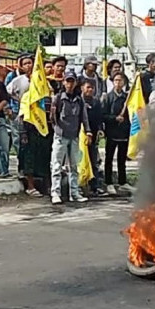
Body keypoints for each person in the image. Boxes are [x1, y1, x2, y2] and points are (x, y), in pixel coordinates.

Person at [50, 71, 92, 208]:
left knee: (74, 166)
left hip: (74, 136)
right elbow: (53, 118)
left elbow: (84, 117)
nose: (69, 84)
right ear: (63, 82)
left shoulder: (79, 100)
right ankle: (55, 193)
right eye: (67, 81)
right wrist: (58, 131)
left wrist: (88, 131)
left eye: (72, 81)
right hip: (61, 136)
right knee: (56, 165)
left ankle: (74, 193)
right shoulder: (58, 98)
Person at [18, 92, 52, 197]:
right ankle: (30, 187)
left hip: (45, 132)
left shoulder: (48, 95)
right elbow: (22, 116)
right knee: (29, 159)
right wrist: (23, 133)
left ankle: (48, 187)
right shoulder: (27, 96)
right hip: (30, 131)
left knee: (46, 158)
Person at [103, 72, 131, 195]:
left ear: (124, 83)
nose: (118, 83)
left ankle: (122, 182)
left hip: (124, 132)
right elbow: (103, 115)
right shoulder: (108, 97)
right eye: (115, 80)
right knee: (109, 159)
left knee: (122, 159)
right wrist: (114, 118)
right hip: (111, 132)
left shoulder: (127, 98)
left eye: (120, 80)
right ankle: (108, 183)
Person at [81, 78, 105, 196]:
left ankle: (94, 186)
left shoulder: (96, 102)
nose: (90, 90)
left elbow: (100, 118)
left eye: (92, 88)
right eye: (87, 87)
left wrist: (100, 129)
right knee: (80, 160)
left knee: (93, 160)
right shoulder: (79, 101)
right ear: (82, 88)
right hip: (80, 135)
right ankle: (81, 186)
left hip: (94, 135)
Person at [6, 55, 33, 158]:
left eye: (29, 63)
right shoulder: (16, 79)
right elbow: (7, 92)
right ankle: (21, 160)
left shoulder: (39, 79)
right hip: (18, 112)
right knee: (18, 138)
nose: (28, 66)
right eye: (25, 64)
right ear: (21, 66)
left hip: (34, 114)